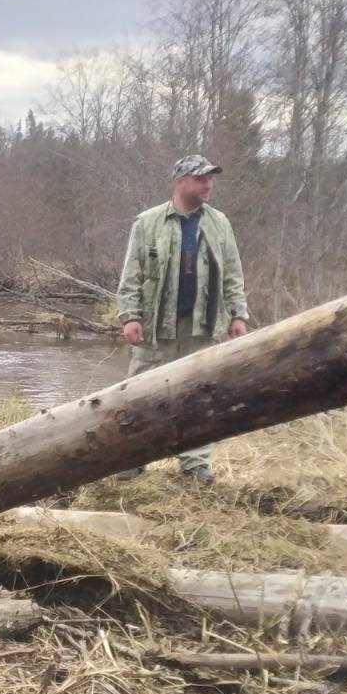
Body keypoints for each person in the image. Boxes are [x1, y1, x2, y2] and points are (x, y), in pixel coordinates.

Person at [113, 154, 250, 485]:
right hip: (156, 326)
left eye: (210, 179)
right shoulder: (147, 222)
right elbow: (131, 274)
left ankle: (195, 463)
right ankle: (132, 458)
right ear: (180, 182)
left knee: (199, 396)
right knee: (139, 394)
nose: (208, 184)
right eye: (202, 178)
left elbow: (233, 273)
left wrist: (238, 314)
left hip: (202, 326)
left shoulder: (220, 222)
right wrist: (130, 316)